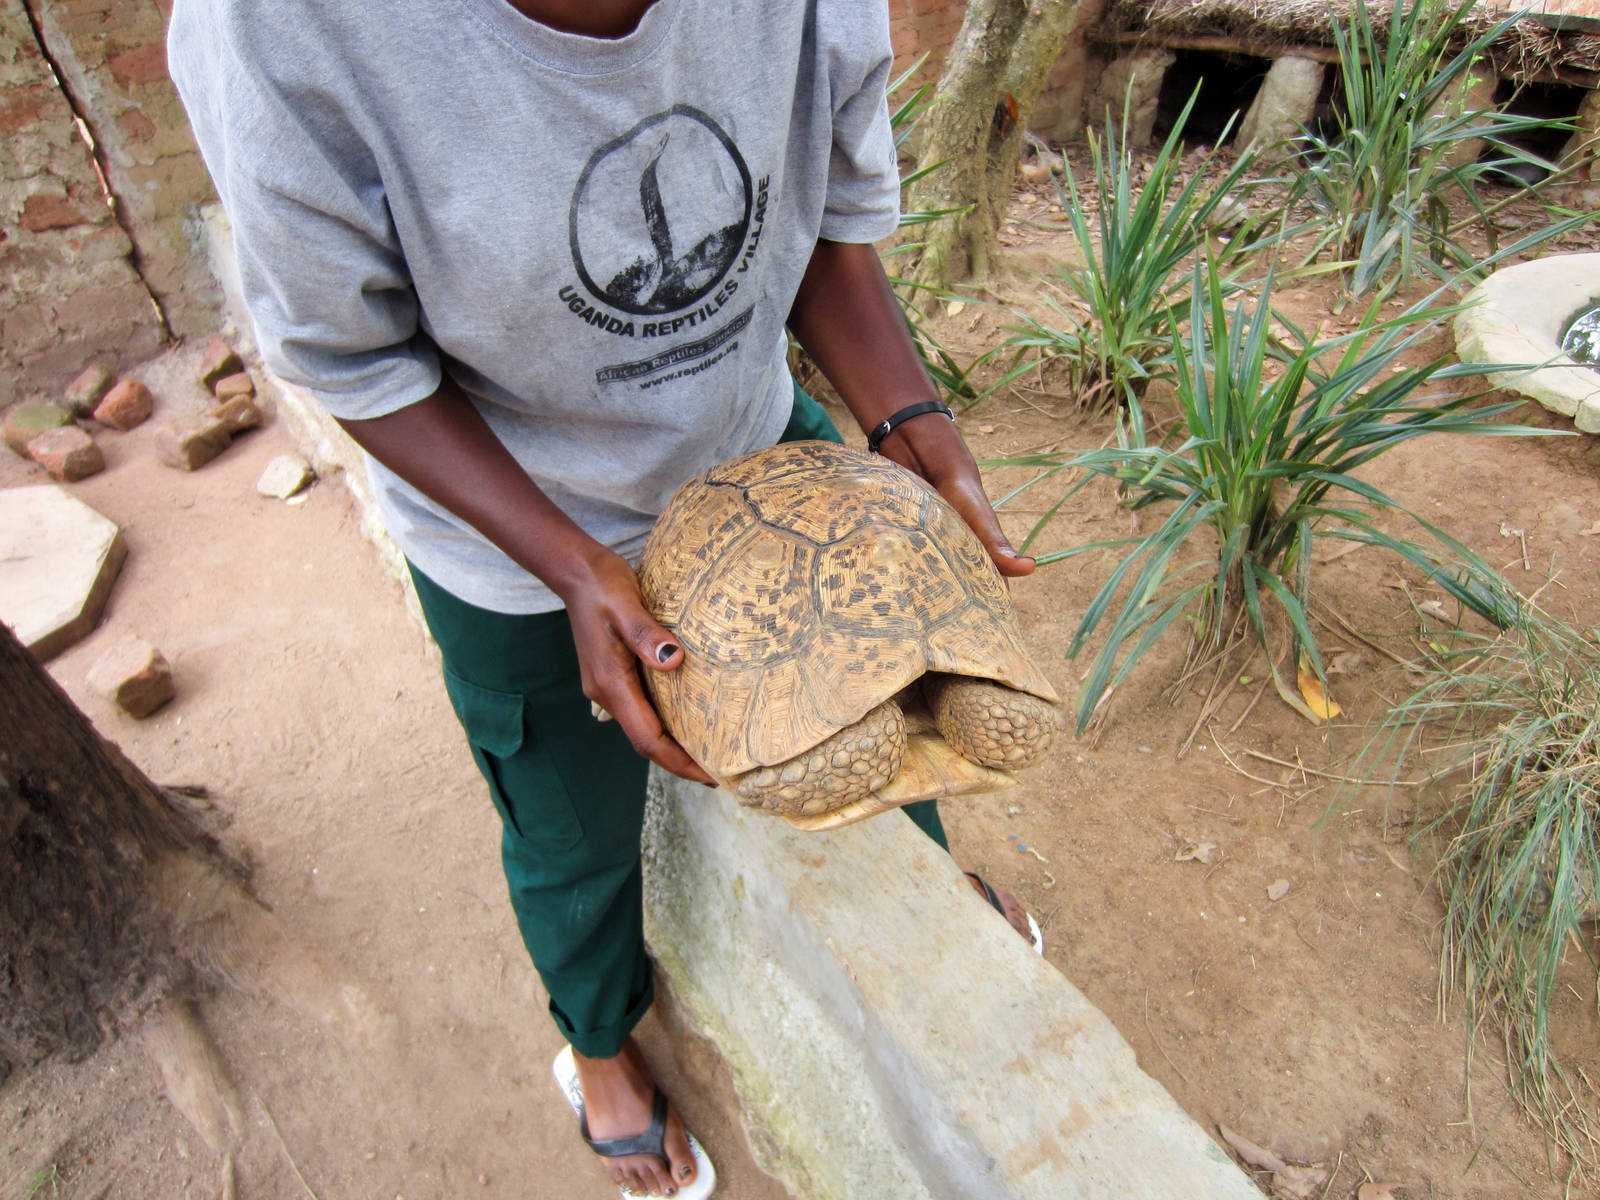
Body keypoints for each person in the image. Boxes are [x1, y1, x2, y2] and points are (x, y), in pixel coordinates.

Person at [169, 1, 1038, 1195]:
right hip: (515, 535)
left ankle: (929, 903)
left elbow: (821, 219)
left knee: (893, 733)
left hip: (756, 460)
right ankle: (599, 1040)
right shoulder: (278, 30)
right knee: (570, 835)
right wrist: (573, 565)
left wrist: (905, 416)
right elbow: (352, 358)